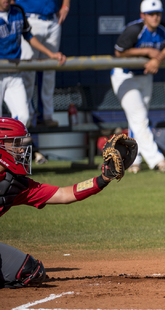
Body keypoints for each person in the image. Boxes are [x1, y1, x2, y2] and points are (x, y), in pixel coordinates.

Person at [0, 118, 118, 288]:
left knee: (31, 272)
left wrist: (103, 179)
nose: (21, 150)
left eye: (22, 143)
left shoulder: (16, 185)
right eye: (15, 143)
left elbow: (64, 194)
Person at [2, 0, 72, 128]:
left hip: (51, 20)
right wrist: (13, 6)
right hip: (28, 20)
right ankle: (29, 115)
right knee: (28, 71)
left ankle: (47, 115)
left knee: (51, 69)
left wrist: (65, 6)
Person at [110, 0, 165, 173]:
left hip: (145, 76)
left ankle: (134, 160)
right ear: (143, 15)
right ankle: (158, 161)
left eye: (157, 14)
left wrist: (158, 58)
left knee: (136, 121)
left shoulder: (164, 30)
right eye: (150, 14)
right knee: (140, 118)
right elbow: (119, 52)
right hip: (125, 76)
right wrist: (147, 51)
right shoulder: (134, 30)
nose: (155, 17)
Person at [0, 0, 65, 126]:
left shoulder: (18, 12)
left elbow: (29, 36)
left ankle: (10, 148)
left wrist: (51, 54)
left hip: (14, 73)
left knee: (23, 117)